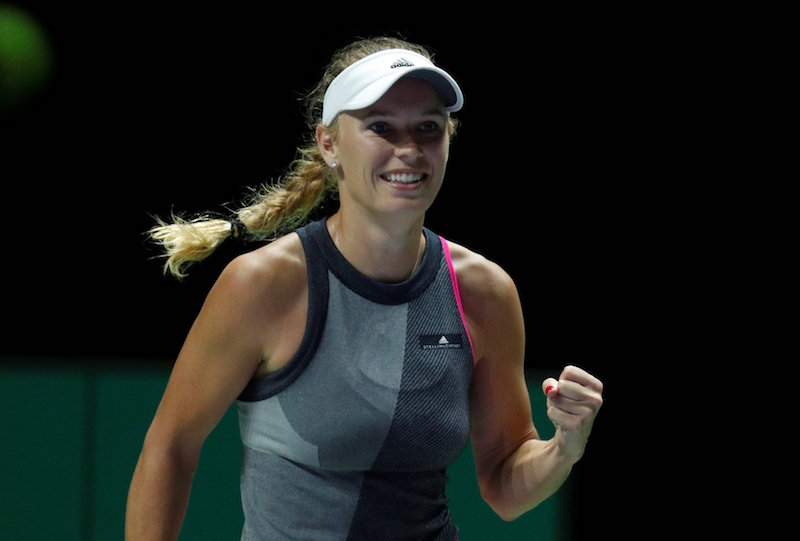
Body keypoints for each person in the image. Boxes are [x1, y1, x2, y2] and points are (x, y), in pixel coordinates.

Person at [125, 36, 603, 540]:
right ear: (329, 143)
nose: (410, 150)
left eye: (428, 128)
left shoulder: (486, 291)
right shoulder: (263, 284)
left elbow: (506, 487)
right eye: (380, 127)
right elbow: (171, 446)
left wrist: (564, 447)